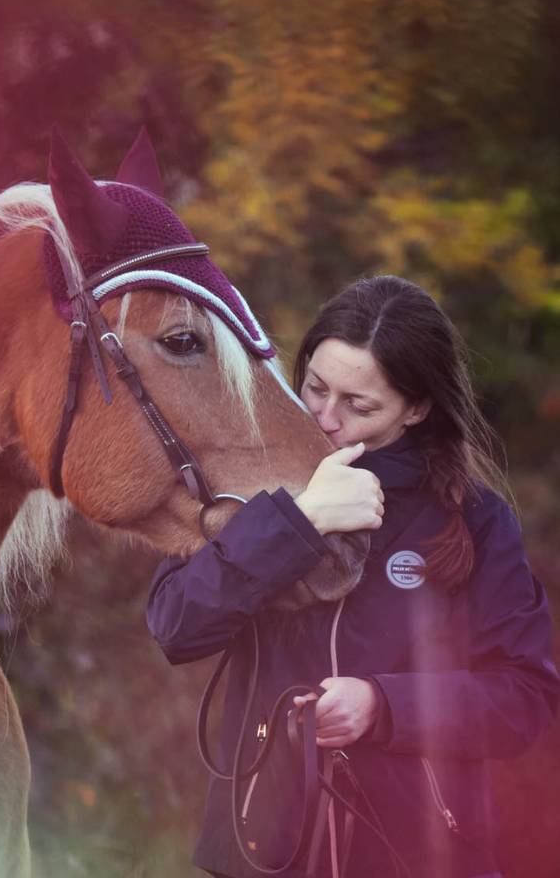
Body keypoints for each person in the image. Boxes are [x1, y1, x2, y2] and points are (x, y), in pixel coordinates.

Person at [146, 274, 559, 878]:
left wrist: (381, 705)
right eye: (315, 387)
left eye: (359, 405)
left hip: (420, 856)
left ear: (417, 408)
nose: (324, 417)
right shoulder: (244, 486)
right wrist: (297, 521)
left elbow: (525, 700)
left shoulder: (475, 519)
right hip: (264, 850)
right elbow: (176, 626)